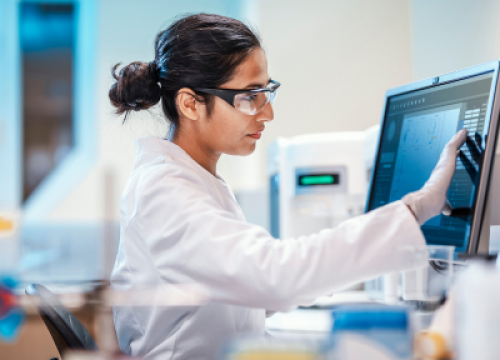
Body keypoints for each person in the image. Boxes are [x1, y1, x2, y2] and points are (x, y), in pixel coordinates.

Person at [109, 13, 467, 360]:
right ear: (190, 103)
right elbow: (276, 275)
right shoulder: (164, 191)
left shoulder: (197, 180)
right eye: (250, 96)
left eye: (266, 92)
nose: (267, 113)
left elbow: (248, 294)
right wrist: (416, 208)